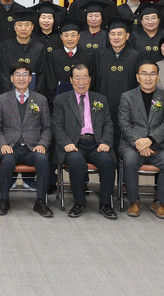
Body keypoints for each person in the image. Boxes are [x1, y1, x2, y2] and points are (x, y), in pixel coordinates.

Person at [51, 64, 117, 219]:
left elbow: (108, 124)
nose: (81, 82)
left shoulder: (100, 99)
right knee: (77, 163)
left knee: (108, 162)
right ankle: (79, 203)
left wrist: (105, 142)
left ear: (90, 79)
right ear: (71, 80)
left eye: (85, 77)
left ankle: (105, 204)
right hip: (74, 144)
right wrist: (66, 143)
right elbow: (57, 126)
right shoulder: (61, 100)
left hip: (96, 143)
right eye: (77, 78)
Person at [0, 62, 53, 217]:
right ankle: (4, 200)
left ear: (30, 78)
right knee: (7, 161)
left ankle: (41, 201)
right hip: (10, 147)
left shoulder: (41, 100)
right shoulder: (2, 99)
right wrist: (2, 144)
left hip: (33, 148)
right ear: (11, 78)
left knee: (43, 160)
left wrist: (42, 144)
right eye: (17, 75)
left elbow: (47, 128)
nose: (21, 78)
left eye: (25, 75)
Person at [118, 62, 164, 219]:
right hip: (133, 145)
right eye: (144, 74)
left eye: (152, 74)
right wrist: (140, 143)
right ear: (138, 77)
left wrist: (149, 140)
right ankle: (134, 201)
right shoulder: (127, 97)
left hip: (159, 146)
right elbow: (124, 124)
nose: (148, 78)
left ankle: (159, 203)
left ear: (158, 77)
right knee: (130, 160)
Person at [93, 18, 139, 142]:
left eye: (120, 34)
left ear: (127, 36)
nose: (116, 37)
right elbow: (95, 83)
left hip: (128, 106)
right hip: (104, 104)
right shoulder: (100, 55)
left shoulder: (135, 56)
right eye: (112, 34)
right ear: (108, 36)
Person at [44, 18, 94, 107]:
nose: (70, 39)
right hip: (58, 102)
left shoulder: (86, 57)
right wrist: (55, 100)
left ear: (78, 37)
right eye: (66, 35)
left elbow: (91, 81)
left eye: (73, 35)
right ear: (61, 37)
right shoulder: (53, 56)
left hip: (81, 102)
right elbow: (50, 80)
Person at [0, 9, 45, 96]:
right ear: (15, 27)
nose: (23, 29)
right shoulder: (4, 47)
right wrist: (11, 96)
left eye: (27, 25)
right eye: (20, 25)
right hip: (9, 96)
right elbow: (3, 75)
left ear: (32, 27)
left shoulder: (40, 48)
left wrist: (34, 96)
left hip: (33, 97)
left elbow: (41, 76)